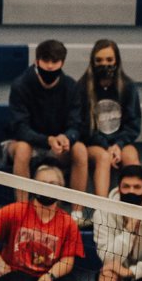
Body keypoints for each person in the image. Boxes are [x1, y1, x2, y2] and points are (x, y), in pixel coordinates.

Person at [5, 40, 88, 220]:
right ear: (37, 61)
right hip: (27, 142)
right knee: (22, 149)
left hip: (57, 146)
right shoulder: (21, 85)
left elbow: (76, 124)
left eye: (55, 61)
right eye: (46, 60)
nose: (50, 66)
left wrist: (68, 138)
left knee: (80, 149)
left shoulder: (71, 87)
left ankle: (77, 213)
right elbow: (19, 128)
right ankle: (22, 211)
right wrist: (47, 140)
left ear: (62, 63)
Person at [78, 39, 142, 199]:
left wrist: (118, 145)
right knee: (104, 157)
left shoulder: (128, 87)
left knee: (131, 157)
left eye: (109, 60)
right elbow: (83, 126)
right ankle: (103, 212)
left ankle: (136, 208)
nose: (104, 64)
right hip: (93, 143)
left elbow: (133, 124)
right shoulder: (82, 87)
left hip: (121, 142)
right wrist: (107, 146)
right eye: (99, 60)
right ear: (92, 62)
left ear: (116, 61)